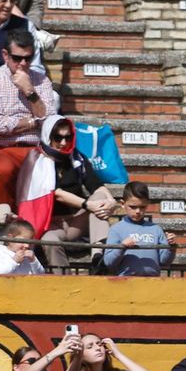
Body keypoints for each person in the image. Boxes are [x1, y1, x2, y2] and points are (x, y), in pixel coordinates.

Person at [0, 27, 57, 205]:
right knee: (4, 169)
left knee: (50, 169)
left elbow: (50, 123)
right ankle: (7, 218)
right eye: (17, 58)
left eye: (28, 58)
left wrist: (30, 92)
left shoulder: (41, 80)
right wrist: (35, 120)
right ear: (5, 55)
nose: (22, 63)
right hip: (3, 148)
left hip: (35, 147)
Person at [32, 114, 116, 272]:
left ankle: (98, 257)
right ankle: (64, 279)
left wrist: (110, 199)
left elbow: (96, 185)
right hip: (51, 224)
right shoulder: (38, 161)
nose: (63, 143)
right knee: (50, 240)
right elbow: (56, 193)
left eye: (68, 137)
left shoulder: (77, 158)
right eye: (58, 138)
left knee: (100, 197)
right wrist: (87, 204)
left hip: (77, 221)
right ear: (47, 136)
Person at [102, 181, 176, 277]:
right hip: (127, 282)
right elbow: (108, 262)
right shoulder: (116, 229)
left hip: (152, 283)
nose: (138, 211)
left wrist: (171, 248)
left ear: (148, 204)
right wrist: (122, 247)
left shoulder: (155, 229)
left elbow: (164, 262)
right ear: (122, 204)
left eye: (142, 207)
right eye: (133, 207)